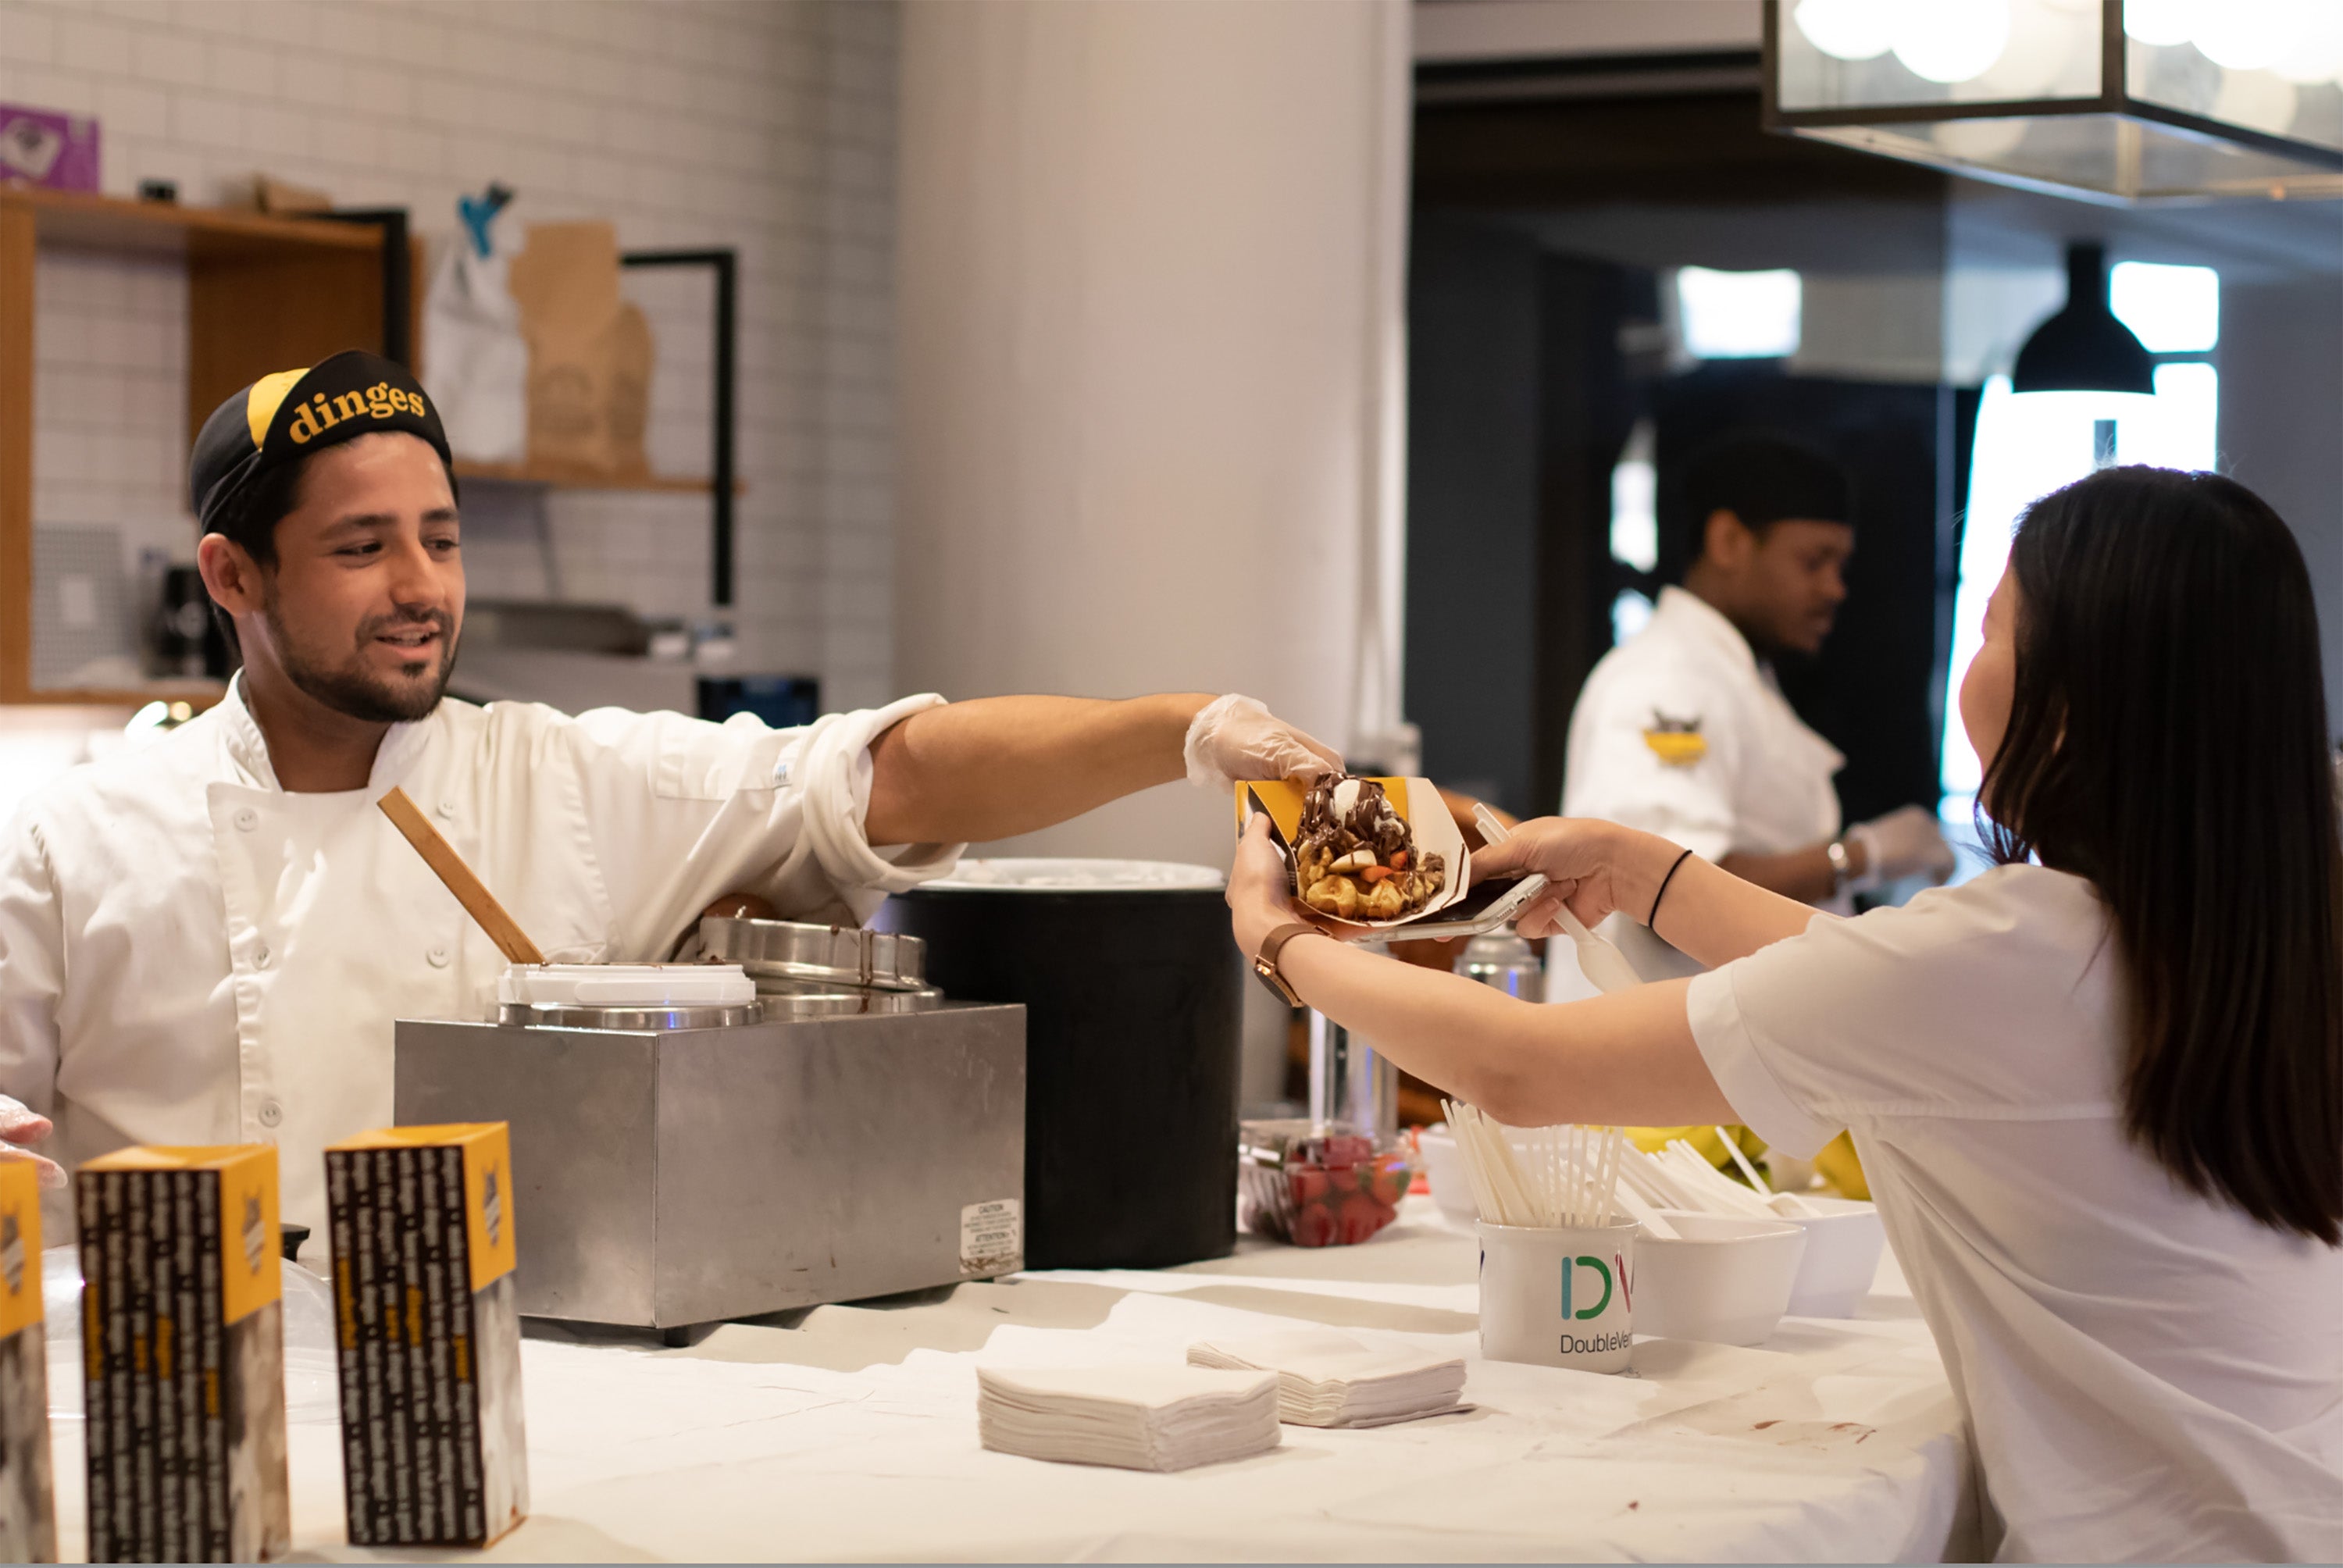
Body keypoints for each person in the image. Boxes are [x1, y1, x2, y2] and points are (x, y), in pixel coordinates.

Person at [1231, 466, 2343, 1559]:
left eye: (1995, 629)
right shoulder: (2257, 936)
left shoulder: (2012, 947)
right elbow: (1879, 983)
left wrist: (1280, 939)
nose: (1970, 667)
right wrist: (1641, 866)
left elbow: (1525, 1071)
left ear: (2075, 701)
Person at [0, 350, 1339, 1243]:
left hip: (507, 1376)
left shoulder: (568, 780)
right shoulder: (75, 835)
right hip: (173, 1383)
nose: (421, 585)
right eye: (362, 546)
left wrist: (1180, 729)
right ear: (232, 577)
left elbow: (887, 775)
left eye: (441, 537)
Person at [1560, 433, 1951, 985]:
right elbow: (1658, 889)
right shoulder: (1666, 680)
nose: (1835, 588)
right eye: (1814, 562)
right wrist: (1860, 857)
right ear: (1728, 542)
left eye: (1841, 566)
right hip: (1650, 1045)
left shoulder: (1735, 675)